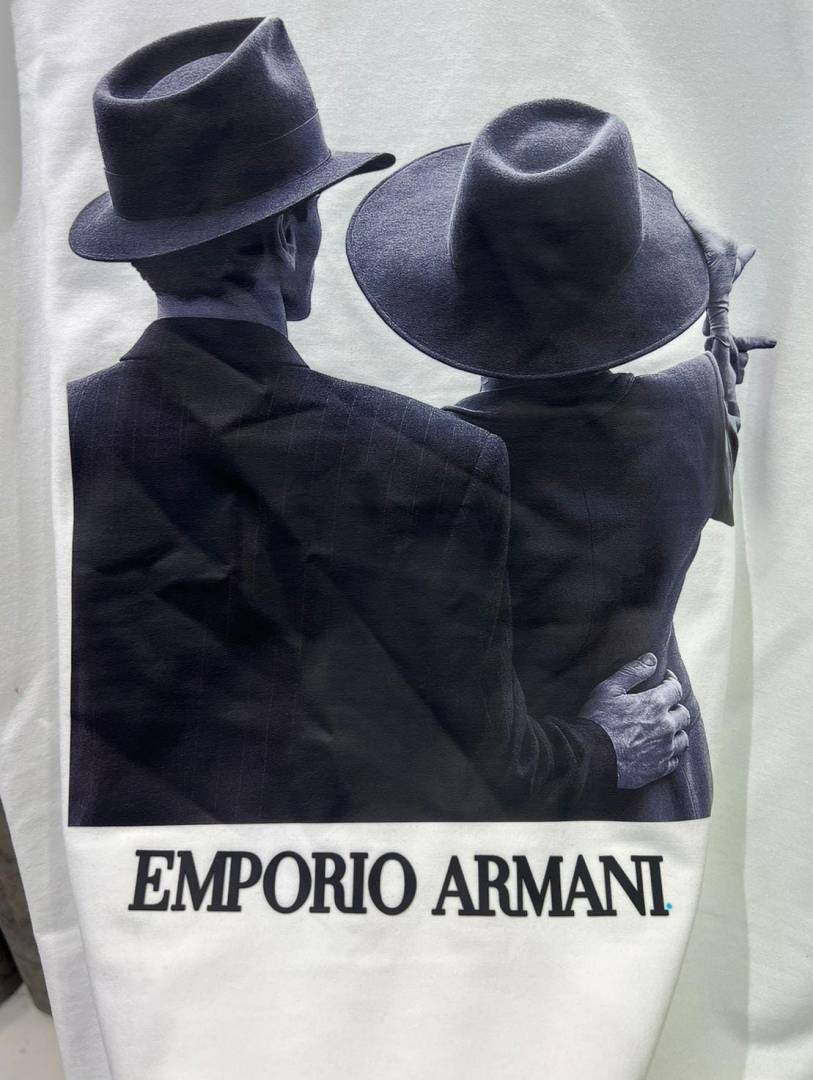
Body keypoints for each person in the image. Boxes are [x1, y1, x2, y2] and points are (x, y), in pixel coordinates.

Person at [68, 30, 688, 826]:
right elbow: (478, 772)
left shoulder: (52, 447)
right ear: (289, 235)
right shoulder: (434, 463)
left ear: (143, 249)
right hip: (339, 899)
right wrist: (602, 748)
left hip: (121, 893)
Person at [346, 98, 775, 820]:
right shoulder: (690, 411)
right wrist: (719, 308)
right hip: (663, 788)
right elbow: (723, 412)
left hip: (519, 804)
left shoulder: (431, 460)